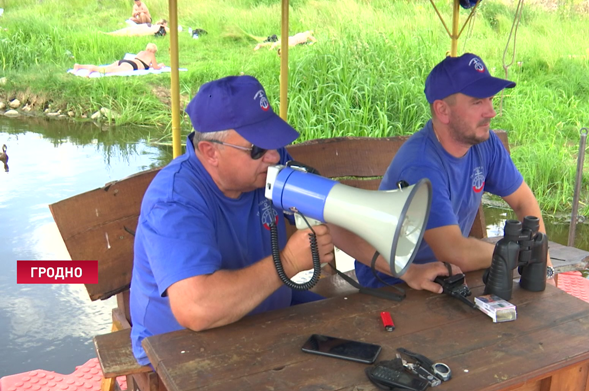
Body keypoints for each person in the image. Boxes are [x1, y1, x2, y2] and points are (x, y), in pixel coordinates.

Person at [128, 75, 339, 366]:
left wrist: (404, 270)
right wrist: (287, 263)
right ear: (210, 152)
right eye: (257, 149)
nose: (274, 156)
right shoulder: (174, 200)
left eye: (273, 141)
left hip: (265, 319)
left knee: (362, 331)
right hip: (183, 346)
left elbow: (332, 210)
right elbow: (196, 308)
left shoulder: (268, 165)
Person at [353, 52, 555, 290]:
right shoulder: (421, 163)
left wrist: (545, 267)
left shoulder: (485, 142)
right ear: (443, 111)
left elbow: (524, 202)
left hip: (448, 273)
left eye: (490, 99)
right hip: (392, 282)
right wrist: (518, 255)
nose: (491, 112)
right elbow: (455, 251)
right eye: (478, 102)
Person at [73, 43, 165, 75]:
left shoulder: (141, 52)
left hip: (125, 61)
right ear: (153, 51)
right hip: (131, 65)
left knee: (107, 67)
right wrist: (160, 65)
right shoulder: (151, 55)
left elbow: (145, 63)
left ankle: (79, 66)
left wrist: (150, 65)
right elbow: (156, 67)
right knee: (107, 70)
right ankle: (93, 69)